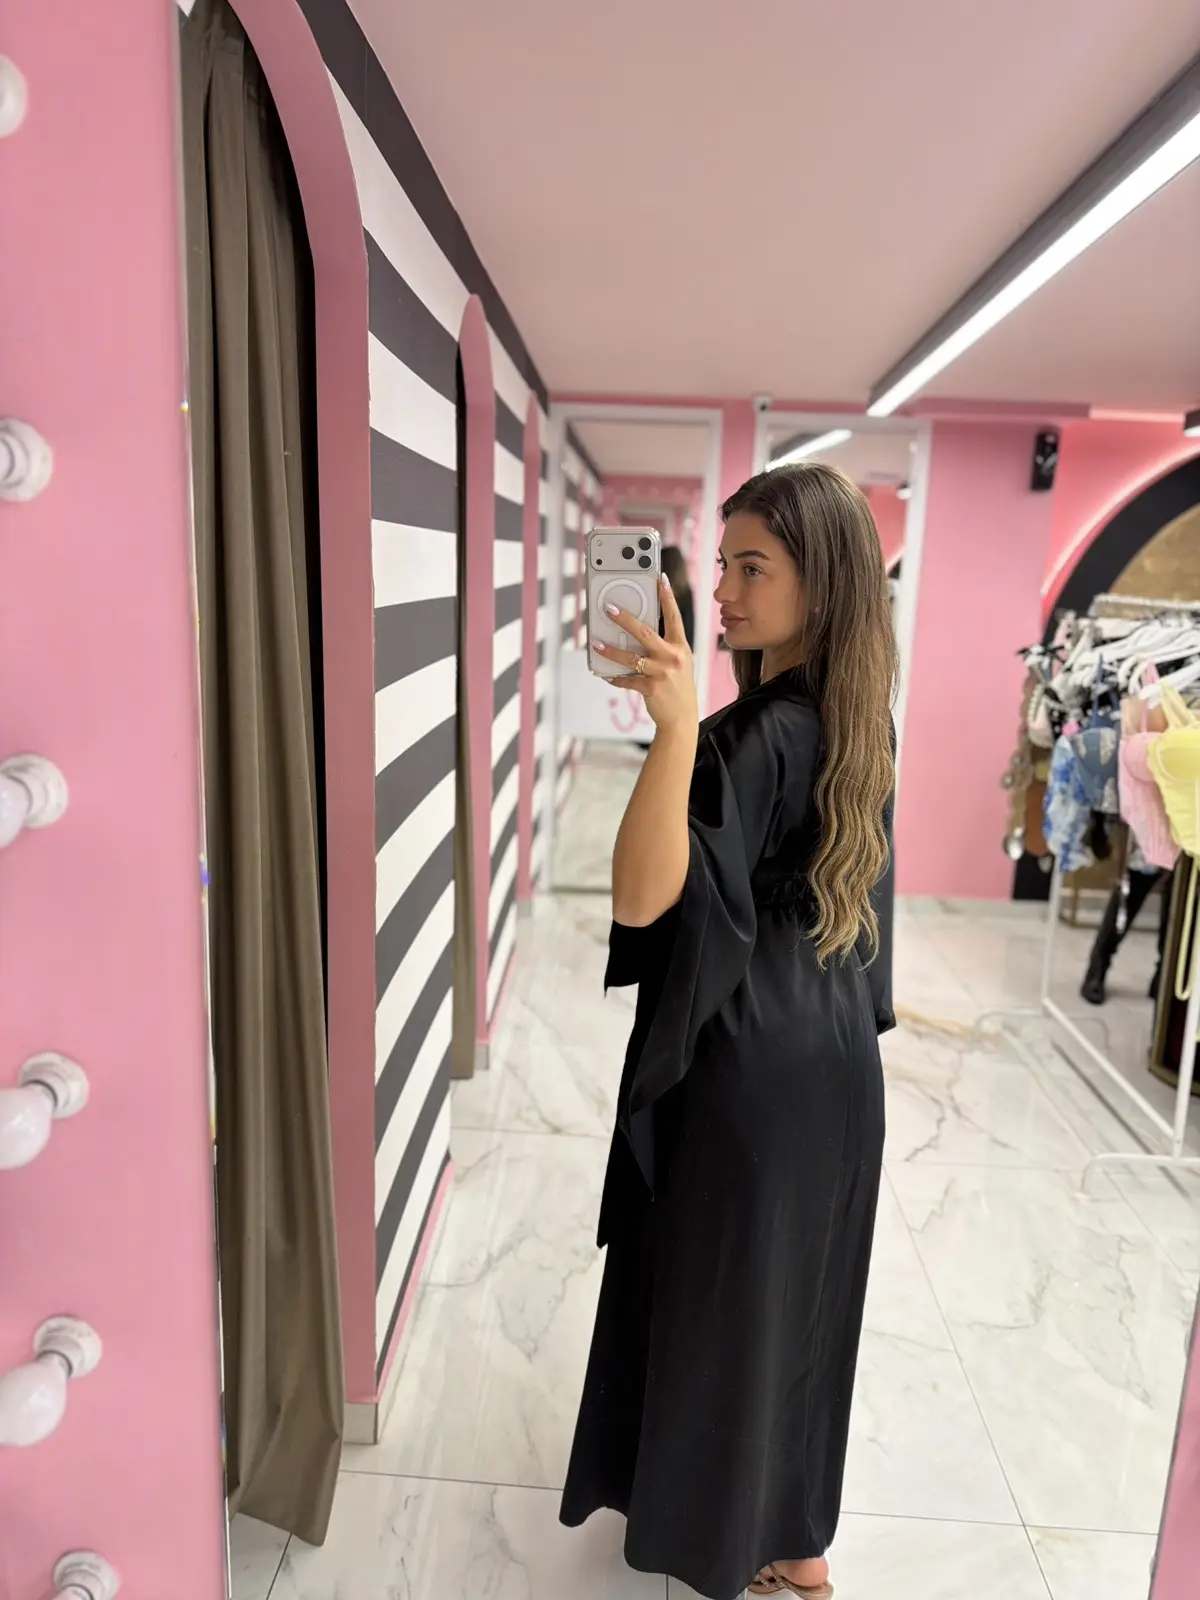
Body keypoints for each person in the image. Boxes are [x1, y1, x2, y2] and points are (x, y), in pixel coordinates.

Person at [561, 463, 897, 1600]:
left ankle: (720, 1538)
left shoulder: (745, 736)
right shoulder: (862, 724)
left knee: (721, 1308)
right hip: (838, 1069)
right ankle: (797, 1536)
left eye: (753, 568)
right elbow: (867, 928)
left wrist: (670, 734)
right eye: (723, 565)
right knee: (804, 1304)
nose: (723, 591)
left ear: (822, 583)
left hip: (743, 1067)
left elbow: (641, 900)